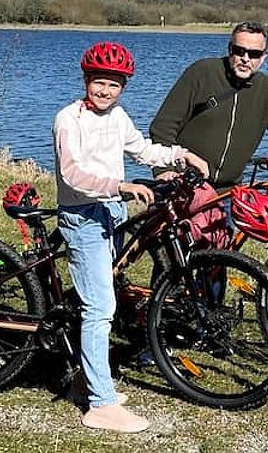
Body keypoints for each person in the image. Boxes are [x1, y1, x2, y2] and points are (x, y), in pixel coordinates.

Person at [54, 41, 208, 433]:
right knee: (100, 307)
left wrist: (180, 155)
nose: (105, 91)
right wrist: (119, 186)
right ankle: (101, 406)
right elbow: (72, 175)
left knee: (100, 294)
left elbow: (141, 149)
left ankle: (82, 379)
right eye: (99, 83)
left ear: (123, 87)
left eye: (114, 85)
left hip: (112, 215)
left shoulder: (118, 116)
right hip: (82, 218)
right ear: (86, 80)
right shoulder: (68, 119)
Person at [148, 21, 268, 186]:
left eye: (254, 54)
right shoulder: (202, 73)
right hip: (184, 183)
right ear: (229, 49)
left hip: (229, 190)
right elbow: (163, 126)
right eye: (239, 51)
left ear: (264, 57)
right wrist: (164, 170)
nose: (245, 59)